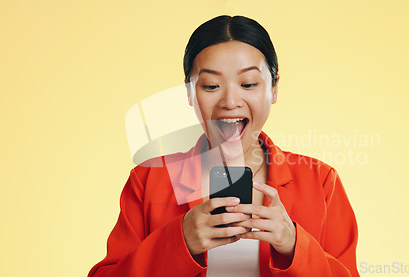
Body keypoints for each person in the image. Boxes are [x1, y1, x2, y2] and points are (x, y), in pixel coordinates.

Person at [88, 15, 360, 277]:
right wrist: (178, 242)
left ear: (274, 88)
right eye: (210, 85)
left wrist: (294, 246)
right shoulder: (148, 179)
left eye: (248, 83)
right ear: (189, 94)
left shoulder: (321, 181)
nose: (230, 101)